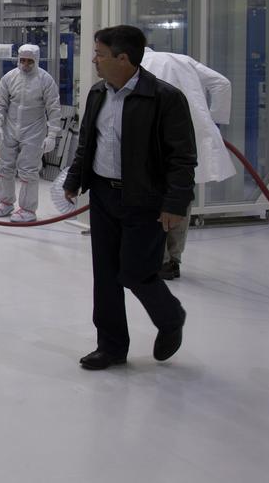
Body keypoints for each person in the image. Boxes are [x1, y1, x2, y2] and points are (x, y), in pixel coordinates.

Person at [64, 25, 196, 370]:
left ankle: (170, 318)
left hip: (145, 200)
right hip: (104, 196)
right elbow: (86, 143)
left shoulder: (164, 98)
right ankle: (110, 347)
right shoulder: (98, 94)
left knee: (136, 273)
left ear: (124, 59)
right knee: (105, 275)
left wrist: (175, 204)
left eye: (100, 54)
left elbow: (182, 158)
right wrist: (74, 179)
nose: (93, 60)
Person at [141, 47, 235, 280]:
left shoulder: (137, 67)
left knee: (153, 199)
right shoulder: (182, 60)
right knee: (180, 197)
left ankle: (158, 258)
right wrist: (212, 121)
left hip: (154, 141)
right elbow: (222, 83)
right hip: (191, 139)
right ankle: (173, 259)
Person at [0, 43, 61, 222]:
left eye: (30, 61)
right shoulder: (9, 78)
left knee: (29, 170)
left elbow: (53, 108)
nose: (26, 64)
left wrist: (52, 135)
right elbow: (0, 104)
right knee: (4, 166)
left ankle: (28, 210)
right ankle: (5, 203)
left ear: (36, 60)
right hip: (10, 127)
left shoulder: (45, 80)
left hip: (34, 131)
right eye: (22, 60)